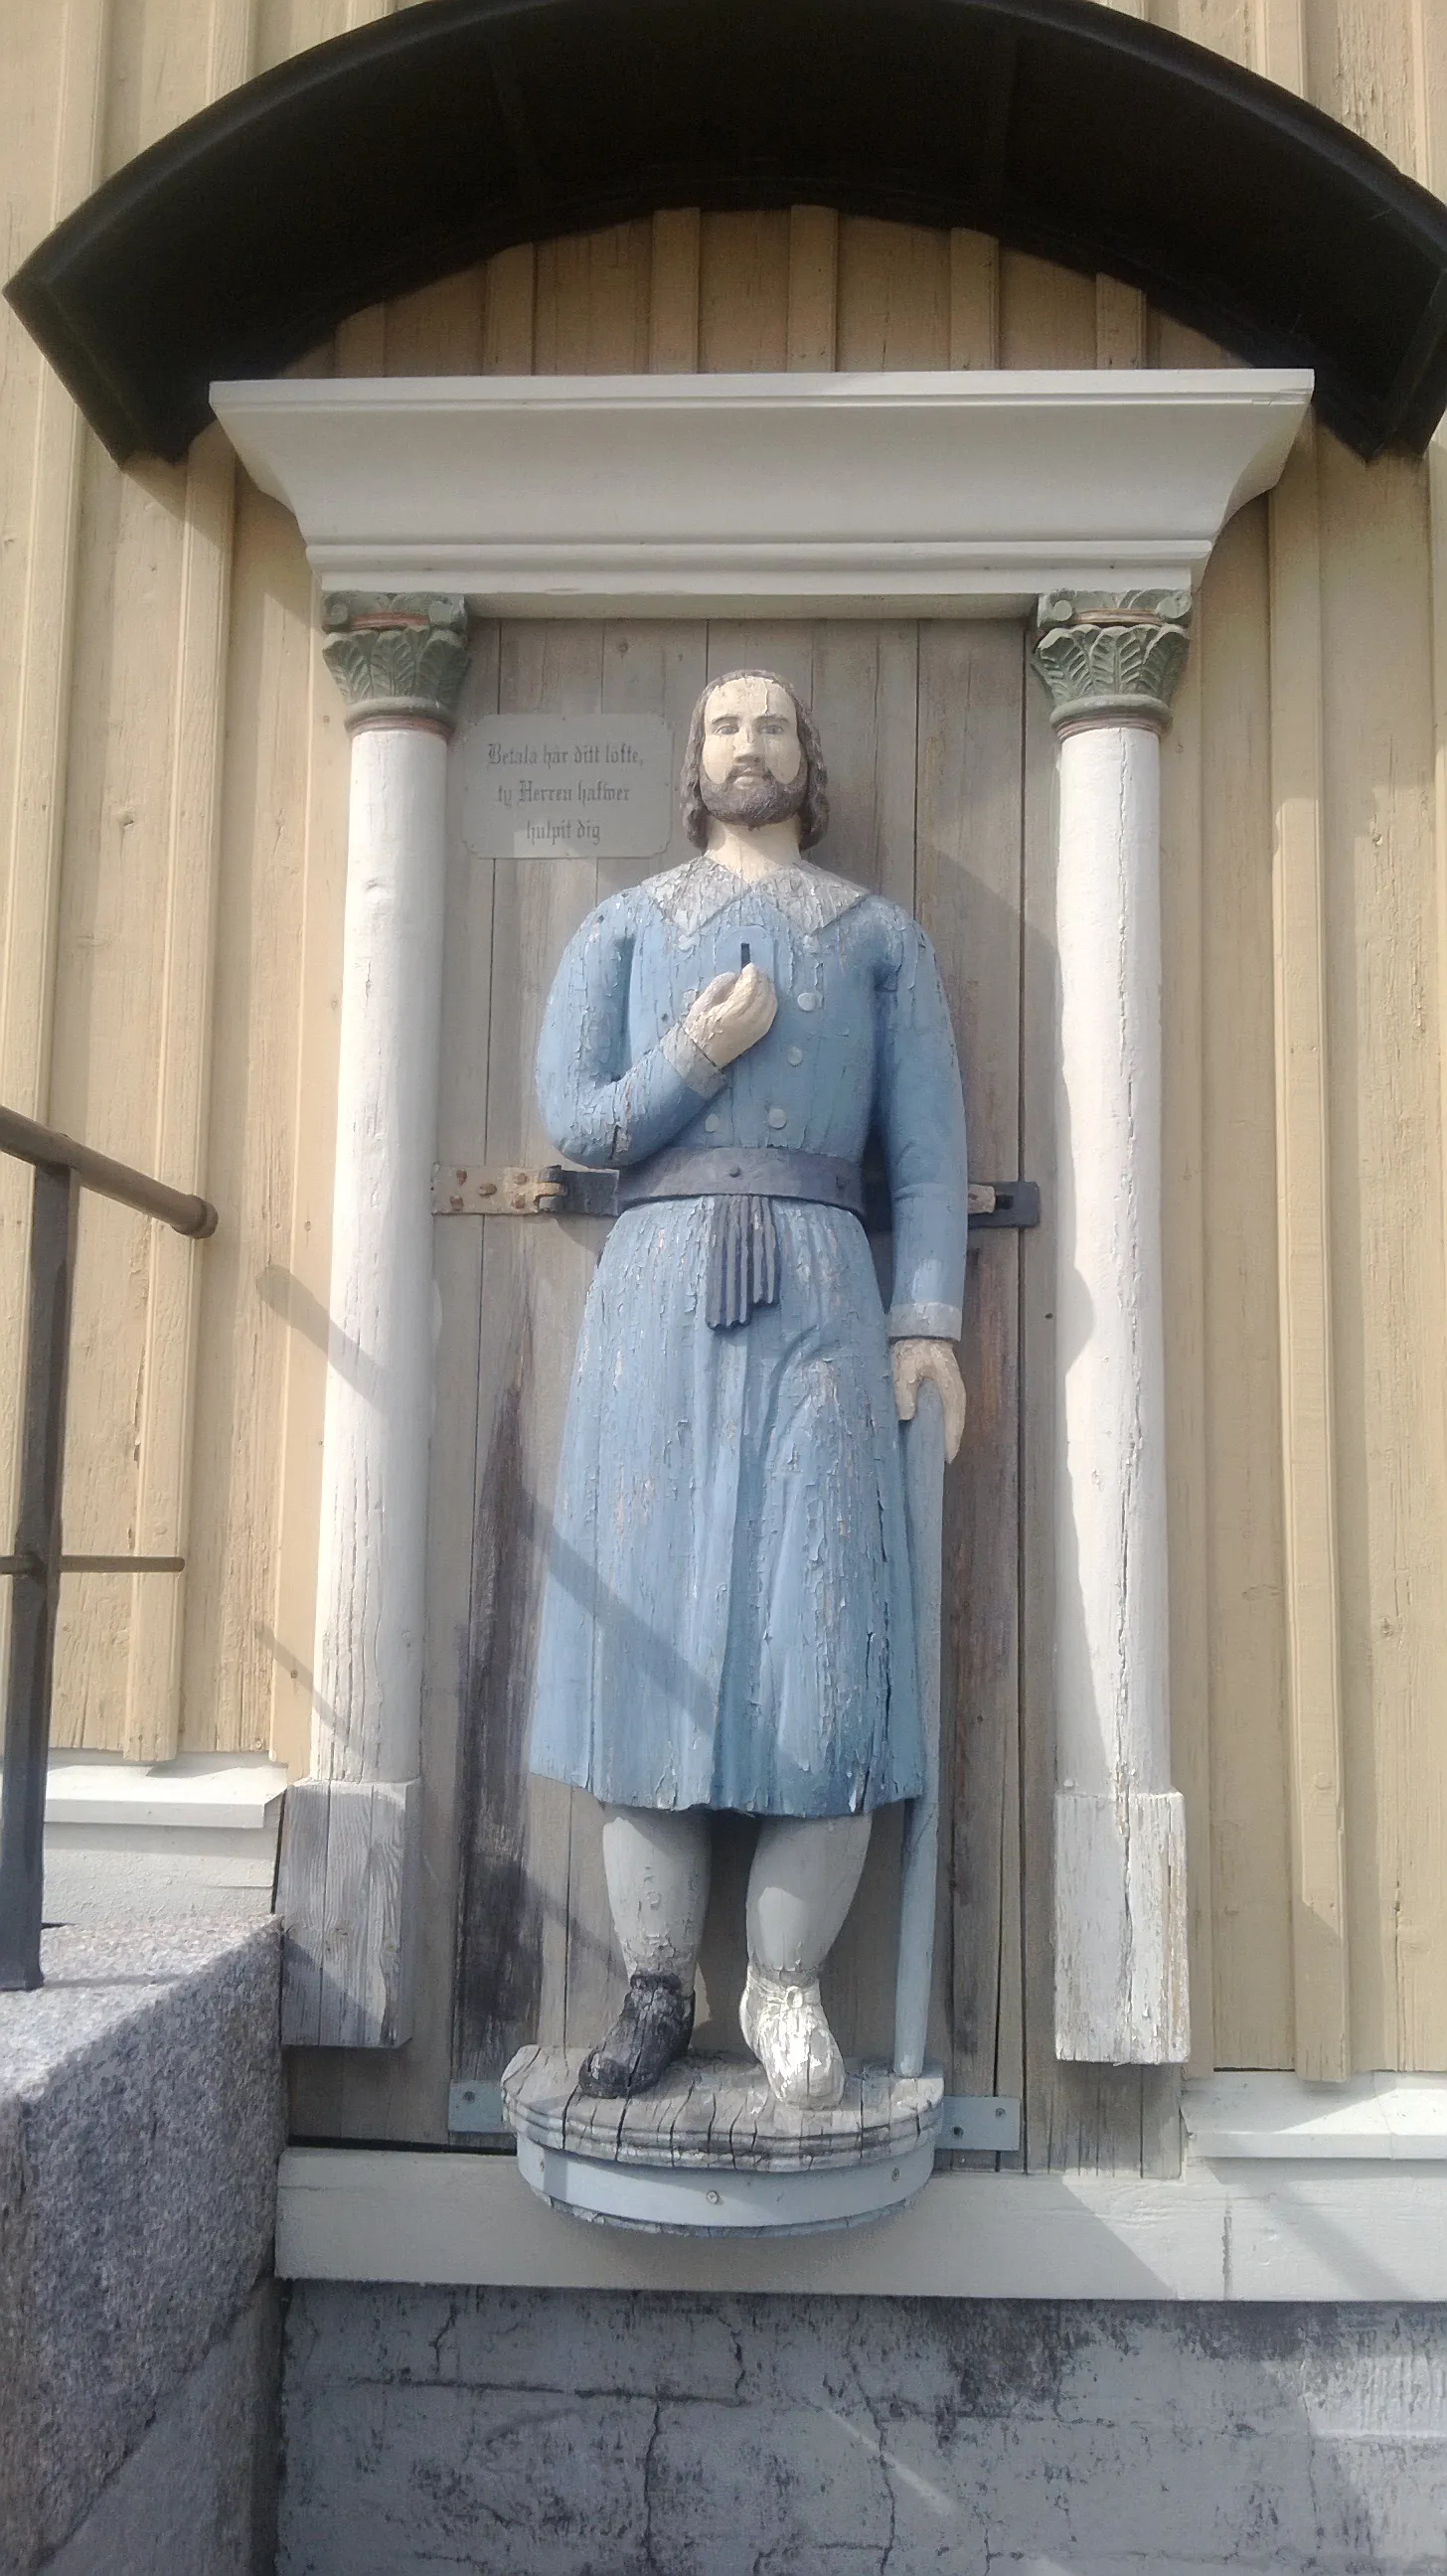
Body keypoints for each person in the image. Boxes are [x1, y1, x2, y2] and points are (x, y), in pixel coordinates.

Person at [530, 670, 968, 2109]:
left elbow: (923, 1155)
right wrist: (691, 1056)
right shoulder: (622, 926)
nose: (748, 743)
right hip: (652, 1304)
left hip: (824, 1309)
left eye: (773, 723)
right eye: (724, 724)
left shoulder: (880, 941)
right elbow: (577, 1118)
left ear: (807, 758)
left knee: (822, 1640)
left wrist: (930, 1324)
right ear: (693, 762)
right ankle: (656, 1984)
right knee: (642, 1641)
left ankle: (787, 1993)